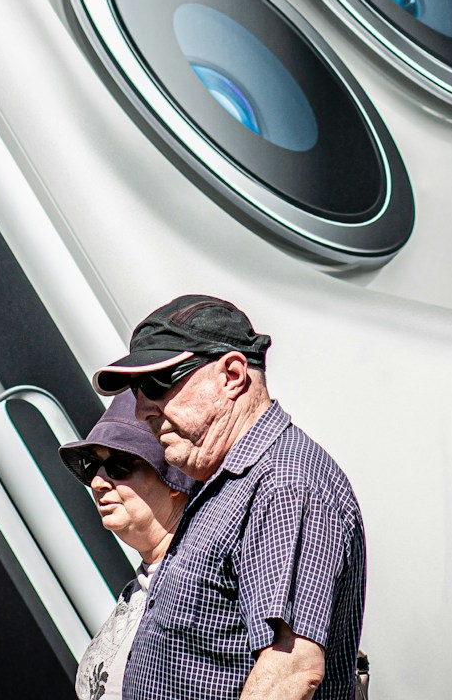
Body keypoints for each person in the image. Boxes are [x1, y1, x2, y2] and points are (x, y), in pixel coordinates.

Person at [93, 294, 367, 700]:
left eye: (155, 384)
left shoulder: (284, 483)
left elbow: (290, 669)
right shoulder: (231, 481)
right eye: (136, 391)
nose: (141, 410)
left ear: (233, 374)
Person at [59, 391, 194, 700]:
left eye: (119, 465)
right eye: (92, 465)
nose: (97, 482)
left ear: (173, 479)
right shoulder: (140, 587)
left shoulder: (208, 584)